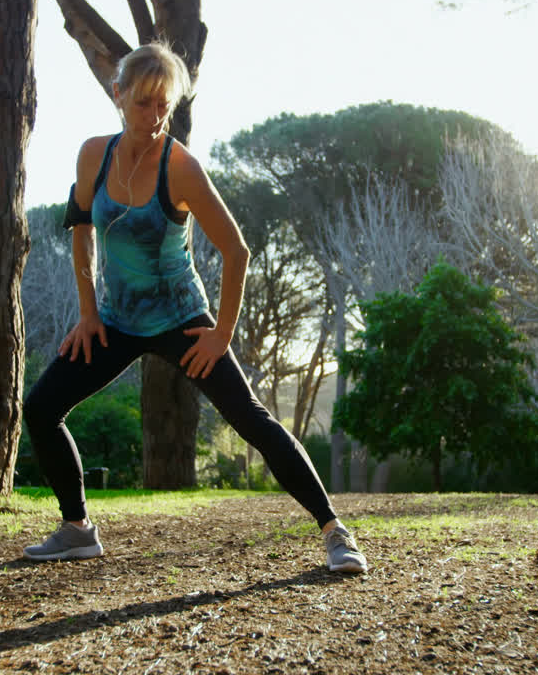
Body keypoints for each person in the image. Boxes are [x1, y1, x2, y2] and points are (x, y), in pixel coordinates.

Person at [21, 42, 368, 574]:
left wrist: (221, 334)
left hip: (181, 320)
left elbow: (236, 251)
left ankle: (334, 531)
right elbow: (82, 228)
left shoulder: (180, 167)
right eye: (143, 103)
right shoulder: (93, 154)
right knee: (42, 408)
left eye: (165, 105)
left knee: (251, 419)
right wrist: (88, 312)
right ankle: (77, 529)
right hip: (116, 320)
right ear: (118, 95)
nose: (156, 116)